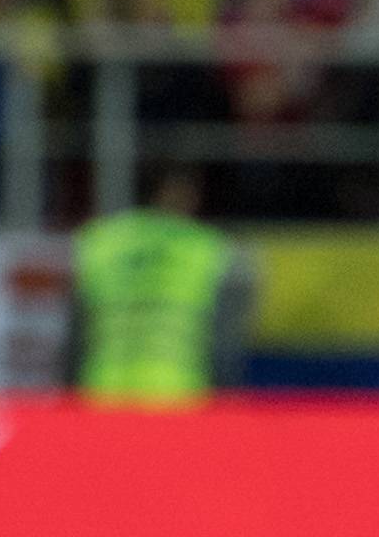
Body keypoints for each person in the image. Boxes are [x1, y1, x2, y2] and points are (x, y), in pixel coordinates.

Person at [69, 167, 251, 402]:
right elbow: (223, 342)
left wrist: (70, 395)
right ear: (192, 196)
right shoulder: (207, 248)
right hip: (178, 394)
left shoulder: (98, 242)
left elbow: (76, 332)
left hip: (103, 391)